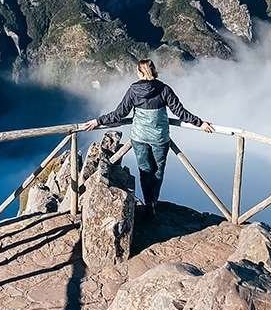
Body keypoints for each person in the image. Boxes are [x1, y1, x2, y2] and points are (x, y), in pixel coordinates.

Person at [81, 59, 213, 217]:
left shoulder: (133, 90)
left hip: (139, 138)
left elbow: (119, 114)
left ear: (139, 72)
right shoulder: (164, 89)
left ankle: (148, 205)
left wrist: (98, 121)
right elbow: (180, 112)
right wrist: (200, 123)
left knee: (145, 171)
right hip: (160, 138)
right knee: (158, 172)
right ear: (154, 70)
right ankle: (153, 203)